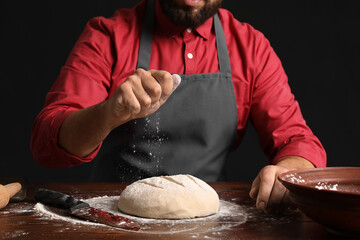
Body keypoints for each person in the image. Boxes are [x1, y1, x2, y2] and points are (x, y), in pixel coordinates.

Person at [31, 0, 326, 214]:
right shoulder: (109, 36)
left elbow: (298, 141)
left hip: (212, 221)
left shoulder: (250, 48)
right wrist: (109, 113)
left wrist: (289, 170)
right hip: (114, 219)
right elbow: (47, 142)